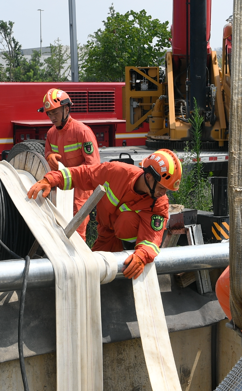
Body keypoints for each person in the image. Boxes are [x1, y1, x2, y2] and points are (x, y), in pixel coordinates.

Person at [27, 149, 182, 279]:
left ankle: (126, 250)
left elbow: (151, 238)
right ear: (148, 177)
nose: (164, 193)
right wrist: (52, 179)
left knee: (127, 221)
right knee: (92, 275)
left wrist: (142, 256)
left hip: (132, 244)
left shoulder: (159, 202)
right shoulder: (116, 172)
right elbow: (84, 174)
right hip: (106, 234)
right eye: (162, 187)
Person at [39, 88, 100, 239]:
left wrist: (67, 175)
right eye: (49, 113)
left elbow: (93, 166)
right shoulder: (51, 134)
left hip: (81, 187)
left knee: (77, 231)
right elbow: (47, 154)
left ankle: (79, 260)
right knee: (56, 225)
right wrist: (50, 156)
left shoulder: (82, 131)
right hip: (60, 186)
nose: (52, 117)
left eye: (55, 112)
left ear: (67, 109)